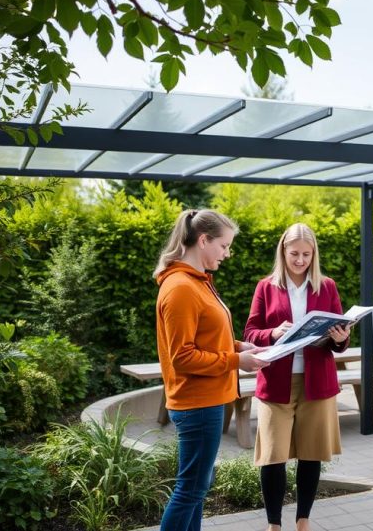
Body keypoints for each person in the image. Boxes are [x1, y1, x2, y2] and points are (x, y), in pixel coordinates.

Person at [154, 209, 270, 531]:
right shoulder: (180, 288)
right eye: (224, 246)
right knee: (189, 490)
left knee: (196, 489)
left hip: (207, 400)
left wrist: (239, 347)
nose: (227, 254)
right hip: (197, 404)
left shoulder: (198, 282)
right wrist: (236, 362)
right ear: (203, 240)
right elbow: (183, 356)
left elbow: (207, 336)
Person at [244, 222, 351, 531]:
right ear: (283, 251)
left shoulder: (326, 286)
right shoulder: (266, 286)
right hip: (276, 382)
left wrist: (341, 335)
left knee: (311, 453)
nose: (300, 260)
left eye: (306, 254)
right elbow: (251, 332)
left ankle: (303, 520)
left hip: (317, 383)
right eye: (294, 254)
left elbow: (340, 343)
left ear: (313, 254)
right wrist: (273, 332)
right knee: (272, 456)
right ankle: (274, 525)